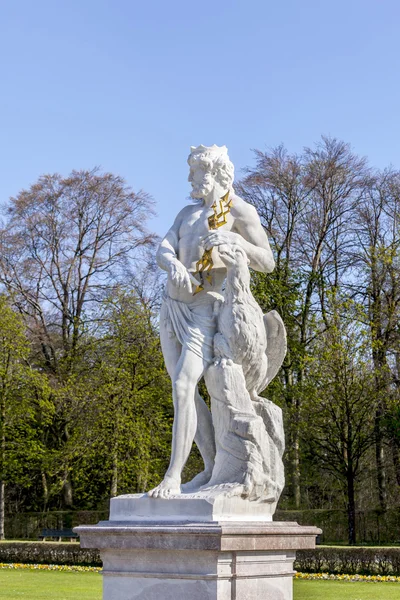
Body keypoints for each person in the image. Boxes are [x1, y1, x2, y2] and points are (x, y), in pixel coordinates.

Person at [148, 144, 275, 498]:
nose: (191, 179)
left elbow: (267, 261)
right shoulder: (187, 213)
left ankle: (172, 476)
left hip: (206, 306)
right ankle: (209, 467)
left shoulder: (238, 210)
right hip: (171, 306)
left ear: (217, 174)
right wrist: (172, 263)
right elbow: (164, 246)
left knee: (183, 385)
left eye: (197, 172)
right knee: (183, 391)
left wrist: (237, 242)